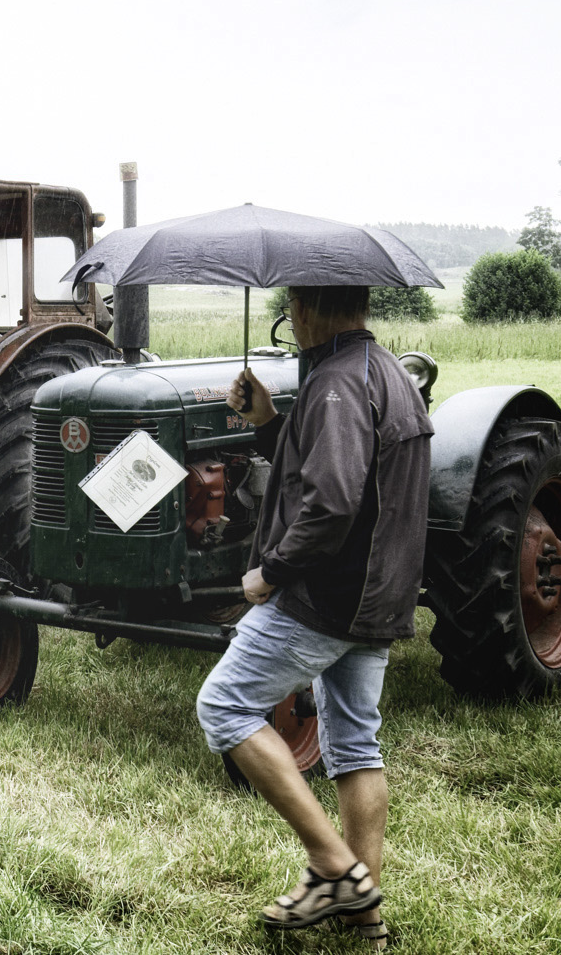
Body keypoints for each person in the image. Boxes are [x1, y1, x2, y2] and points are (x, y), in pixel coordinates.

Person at [197, 285, 432, 949]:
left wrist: (268, 573)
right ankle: (367, 922)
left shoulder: (334, 384)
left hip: (326, 596)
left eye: (293, 304)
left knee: (223, 706)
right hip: (379, 595)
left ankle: (335, 868)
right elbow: (342, 470)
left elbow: (329, 504)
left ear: (303, 308)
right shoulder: (384, 372)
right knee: (355, 743)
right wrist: (270, 421)